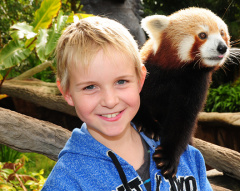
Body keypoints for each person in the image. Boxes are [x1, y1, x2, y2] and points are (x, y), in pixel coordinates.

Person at [42, 16, 212, 191]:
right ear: (67, 93)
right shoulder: (67, 179)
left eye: (121, 82)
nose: (110, 101)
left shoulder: (188, 158)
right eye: (90, 87)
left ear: (141, 79)